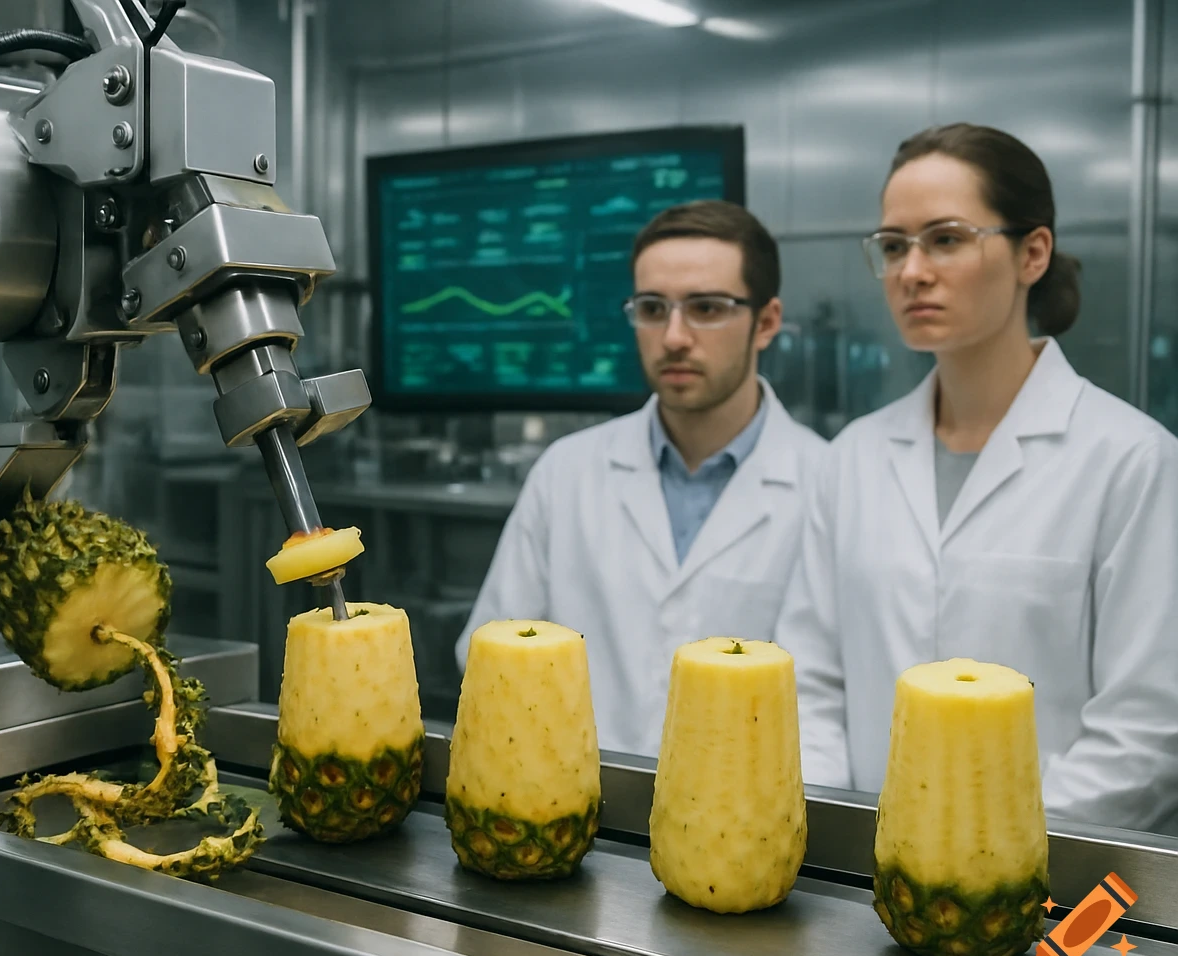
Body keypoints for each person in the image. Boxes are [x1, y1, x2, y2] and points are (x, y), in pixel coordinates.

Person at [776, 123, 1178, 833]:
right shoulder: (854, 458)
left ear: (1033, 253)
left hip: (1054, 894)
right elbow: (811, 684)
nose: (912, 270)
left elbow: (1143, 730)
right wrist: (838, 841)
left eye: (947, 238)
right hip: (862, 876)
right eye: (894, 245)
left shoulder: (1131, 461)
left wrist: (990, 856)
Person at [456, 199, 829, 757]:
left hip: (749, 824)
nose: (674, 336)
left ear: (767, 322)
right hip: (576, 811)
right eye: (653, 309)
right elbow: (489, 656)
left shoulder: (829, 484)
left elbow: (829, 707)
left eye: (706, 308)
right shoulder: (568, 471)